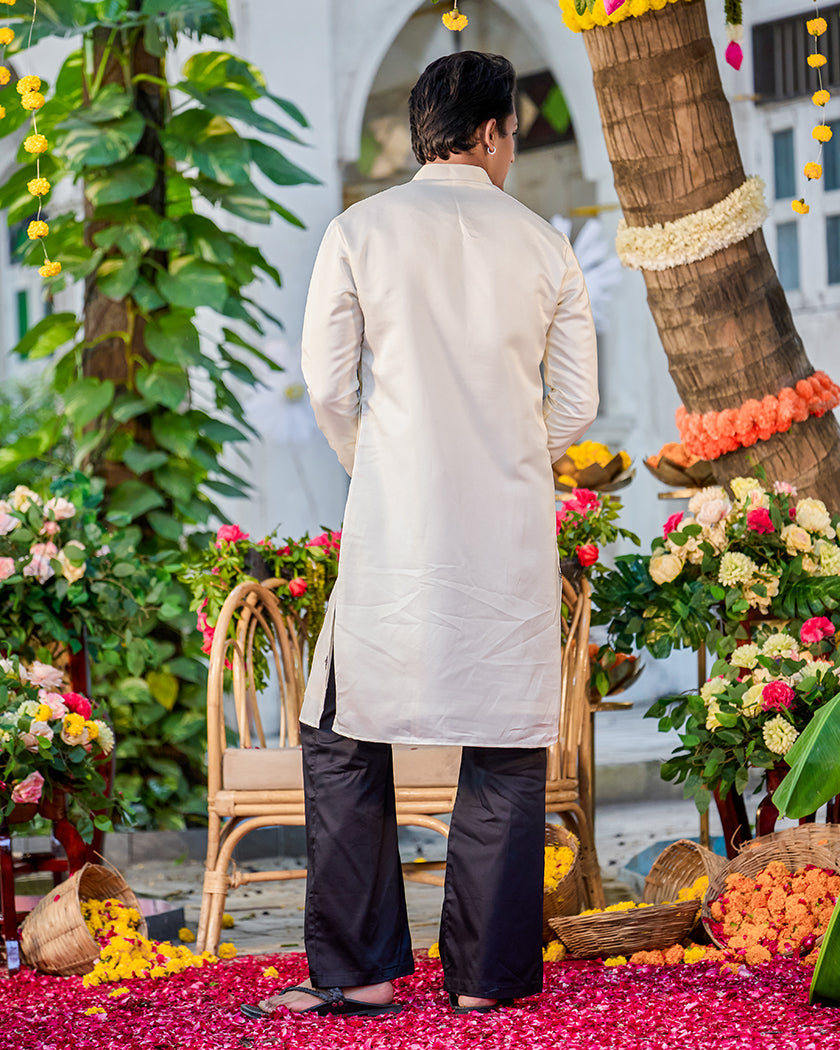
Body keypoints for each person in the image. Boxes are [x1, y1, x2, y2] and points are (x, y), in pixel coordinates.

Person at [241, 50, 598, 1020]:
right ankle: (486, 983)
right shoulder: (546, 246)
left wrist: (381, 463)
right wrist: (508, 455)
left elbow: (328, 384)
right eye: (512, 133)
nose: (512, 149)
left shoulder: (359, 232)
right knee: (506, 744)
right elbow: (576, 404)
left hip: (396, 529)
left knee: (341, 734)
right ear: (488, 134)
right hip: (507, 531)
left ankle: (360, 972)